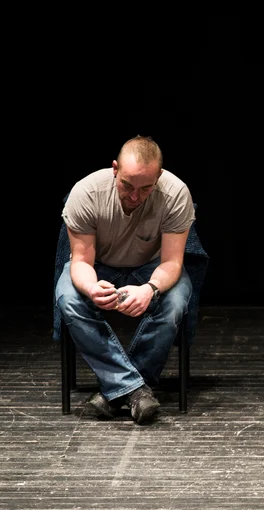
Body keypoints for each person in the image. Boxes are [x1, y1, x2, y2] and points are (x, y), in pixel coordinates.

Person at [56, 136, 195, 425]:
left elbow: (172, 262)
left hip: (151, 269)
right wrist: (92, 287)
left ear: (159, 176)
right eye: (127, 185)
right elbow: (81, 261)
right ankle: (135, 390)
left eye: (145, 188)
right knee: (68, 297)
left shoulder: (175, 193)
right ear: (115, 169)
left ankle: (117, 391)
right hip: (99, 268)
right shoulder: (87, 192)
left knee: (176, 300)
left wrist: (150, 289)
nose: (134, 196)